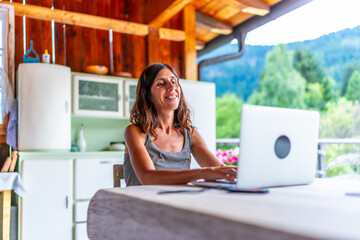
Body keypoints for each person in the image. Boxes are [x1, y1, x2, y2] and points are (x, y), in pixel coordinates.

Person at [123, 63, 237, 186]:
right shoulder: (135, 132)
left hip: (177, 202)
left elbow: (219, 169)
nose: (171, 87)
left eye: (174, 81)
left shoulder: (189, 134)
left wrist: (234, 173)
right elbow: (147, 178)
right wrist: (202, 173)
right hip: (142, 203)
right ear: (147, 95)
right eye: (161, 83)